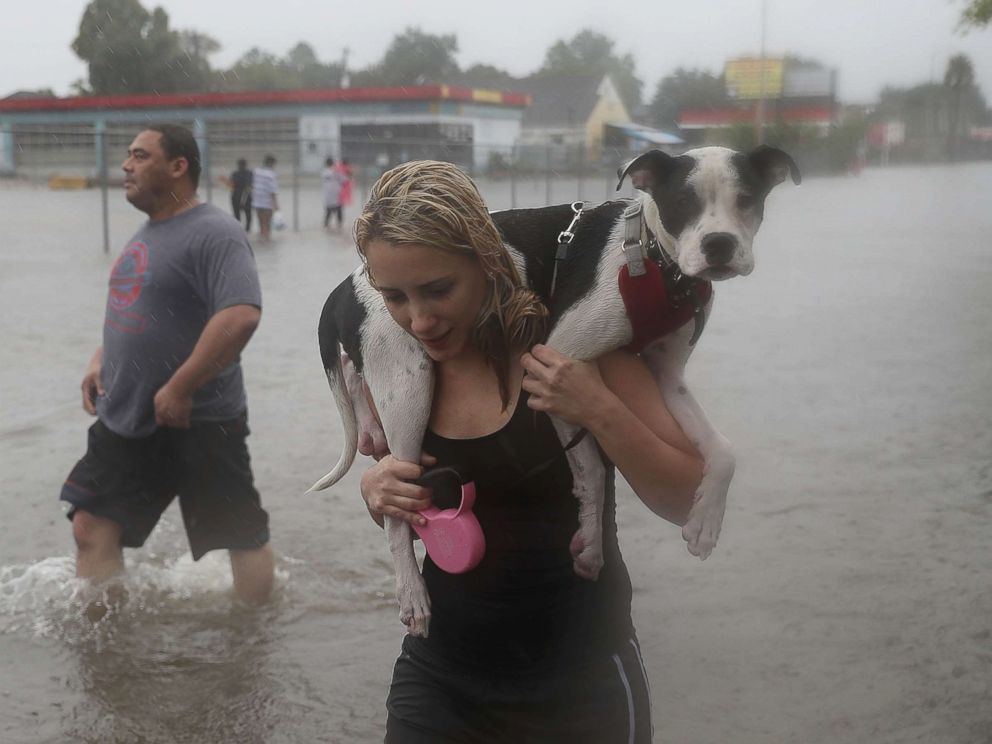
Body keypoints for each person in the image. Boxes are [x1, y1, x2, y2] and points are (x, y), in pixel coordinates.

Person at [354, 161, 704, 743]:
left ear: (488, 263)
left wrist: (598, 408)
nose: (419, 319)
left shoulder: (578, 348)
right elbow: (427, 514)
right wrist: (379, 491)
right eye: (393, 297)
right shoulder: (401, 365)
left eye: (439, 290)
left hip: (582, 686)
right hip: (441, 679)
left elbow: (687, 499)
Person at [60, 123, 274, 609]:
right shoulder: (146, 233)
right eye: (128, 156)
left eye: (139, 155)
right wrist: (100, 361)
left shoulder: (215, 231)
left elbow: (240, 315)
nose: (125, 165)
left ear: (178, 166)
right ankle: (107, 641)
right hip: (128, 415)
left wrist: (181, 386)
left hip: (199, 419)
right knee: (91, 523)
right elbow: (133, 309)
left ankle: (254, 639)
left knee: (239, 533)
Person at [252, 155, 279, 242]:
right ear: (272, 163)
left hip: (257, 200)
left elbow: (254, 184)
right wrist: (276, 204)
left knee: (261, 221)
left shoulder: (257, 171)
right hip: (267, 202)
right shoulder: (271, 175)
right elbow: (272, 190)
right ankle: (267, 239)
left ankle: (262, 237)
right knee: (267, 222)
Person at [223, 158, 253, 231]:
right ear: (246, 165)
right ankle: (247, 229)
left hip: (236, 196)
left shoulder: (235, 174)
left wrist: (225, 181)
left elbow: (231, 185)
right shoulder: (249, 173)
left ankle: (238, 228)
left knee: (237, 214)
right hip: (246, 197)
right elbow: (249, 186)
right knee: (248, 214)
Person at [321, 156, 347, 231]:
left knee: (335, 210)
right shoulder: (333, 172)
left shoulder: (327, 172)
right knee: (331, 211)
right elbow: (344, 179)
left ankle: (334, 225)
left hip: (334, 195)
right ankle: (335, 225)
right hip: (333, 195)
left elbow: (344, 180)